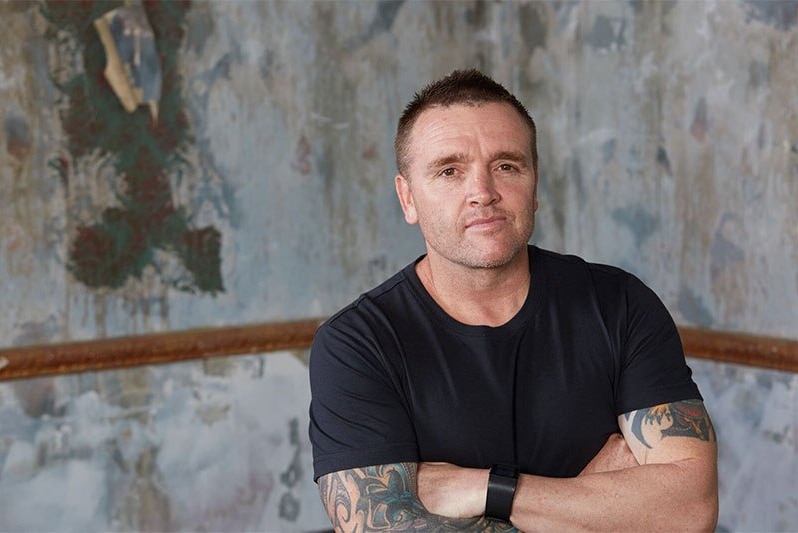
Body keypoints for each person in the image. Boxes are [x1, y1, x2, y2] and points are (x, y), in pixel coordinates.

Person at [308, 69, 718, 532]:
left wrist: (484, 489)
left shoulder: (619, 304)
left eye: (506, 166)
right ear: (408, 199)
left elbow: (689, 513)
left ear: (535, 184)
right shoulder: (356, 344)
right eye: (449, 171)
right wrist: (602, 502)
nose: (483, 192)